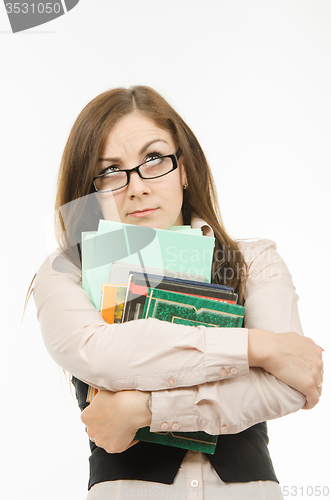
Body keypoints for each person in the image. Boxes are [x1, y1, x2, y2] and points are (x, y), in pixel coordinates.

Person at [33, 86, 323, 500]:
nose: (136, 187)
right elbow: (102, 353)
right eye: (110, 170)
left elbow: (287, 386)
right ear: (90, 192)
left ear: (184, 169)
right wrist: (258, 347)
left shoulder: (254, 261)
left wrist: (145, 410)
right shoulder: (66, 272)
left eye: (153, 159)